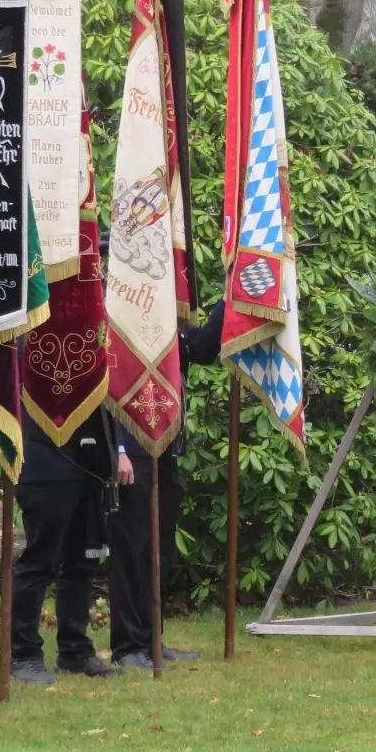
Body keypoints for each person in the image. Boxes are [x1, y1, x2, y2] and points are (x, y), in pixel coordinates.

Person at [101, 230, 227, 670]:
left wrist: (231, 295)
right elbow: (104, 394)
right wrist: (114, 447)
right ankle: (127, 645)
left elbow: (203, 348)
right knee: (131, 549)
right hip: (126, 449)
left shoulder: (155, 318)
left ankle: (152, 638)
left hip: (165, 447)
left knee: (159, 548)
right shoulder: (105, 322)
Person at [9, 408, 125, 682]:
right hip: (44, 460)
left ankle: (74, 651)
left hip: (89, 465)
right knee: (39, 563)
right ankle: (24, 655)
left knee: (81, 563)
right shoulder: (29, 361)